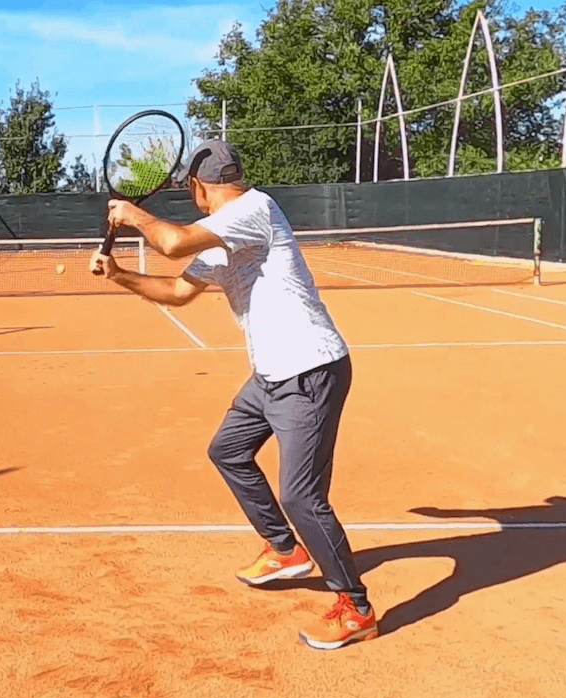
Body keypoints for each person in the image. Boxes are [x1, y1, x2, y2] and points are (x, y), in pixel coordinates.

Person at [90, 139, 376, 650]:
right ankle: (285, 550)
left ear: (197, 187)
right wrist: (119, 275)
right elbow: (178, 292)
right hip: (271, 375)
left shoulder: (253, 209)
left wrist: (135, 216)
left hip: (309, 370)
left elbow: (173, 243)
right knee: (228, 450)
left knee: (302, 497)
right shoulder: (220, 236)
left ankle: (356, 607)